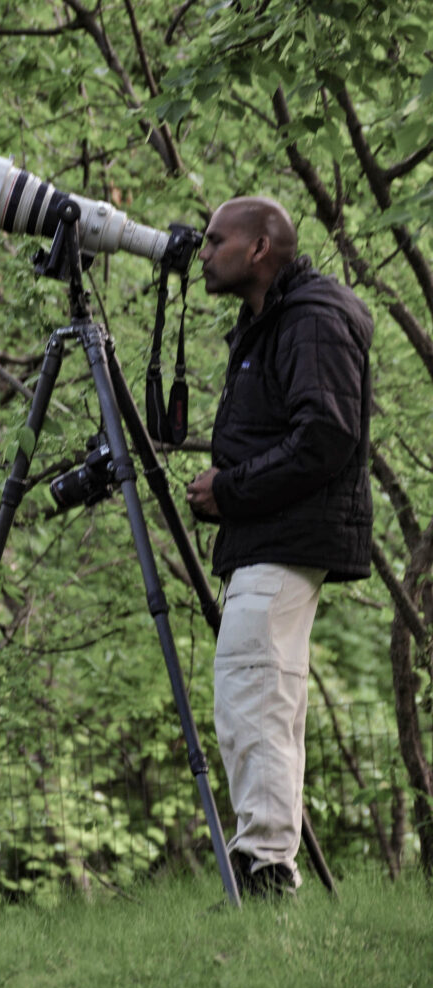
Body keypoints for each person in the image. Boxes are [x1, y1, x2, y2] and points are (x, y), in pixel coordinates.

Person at [186, 197, 373, 897]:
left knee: (253, 689)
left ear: (260, 248)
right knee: (264, 693)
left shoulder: (311, 320)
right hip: (273, 534)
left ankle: (266, 870)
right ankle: (267, 859)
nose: (202, 252)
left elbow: (325, 435)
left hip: (284, 535)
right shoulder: (273, 321)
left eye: (216, 240)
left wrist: (230, 490)